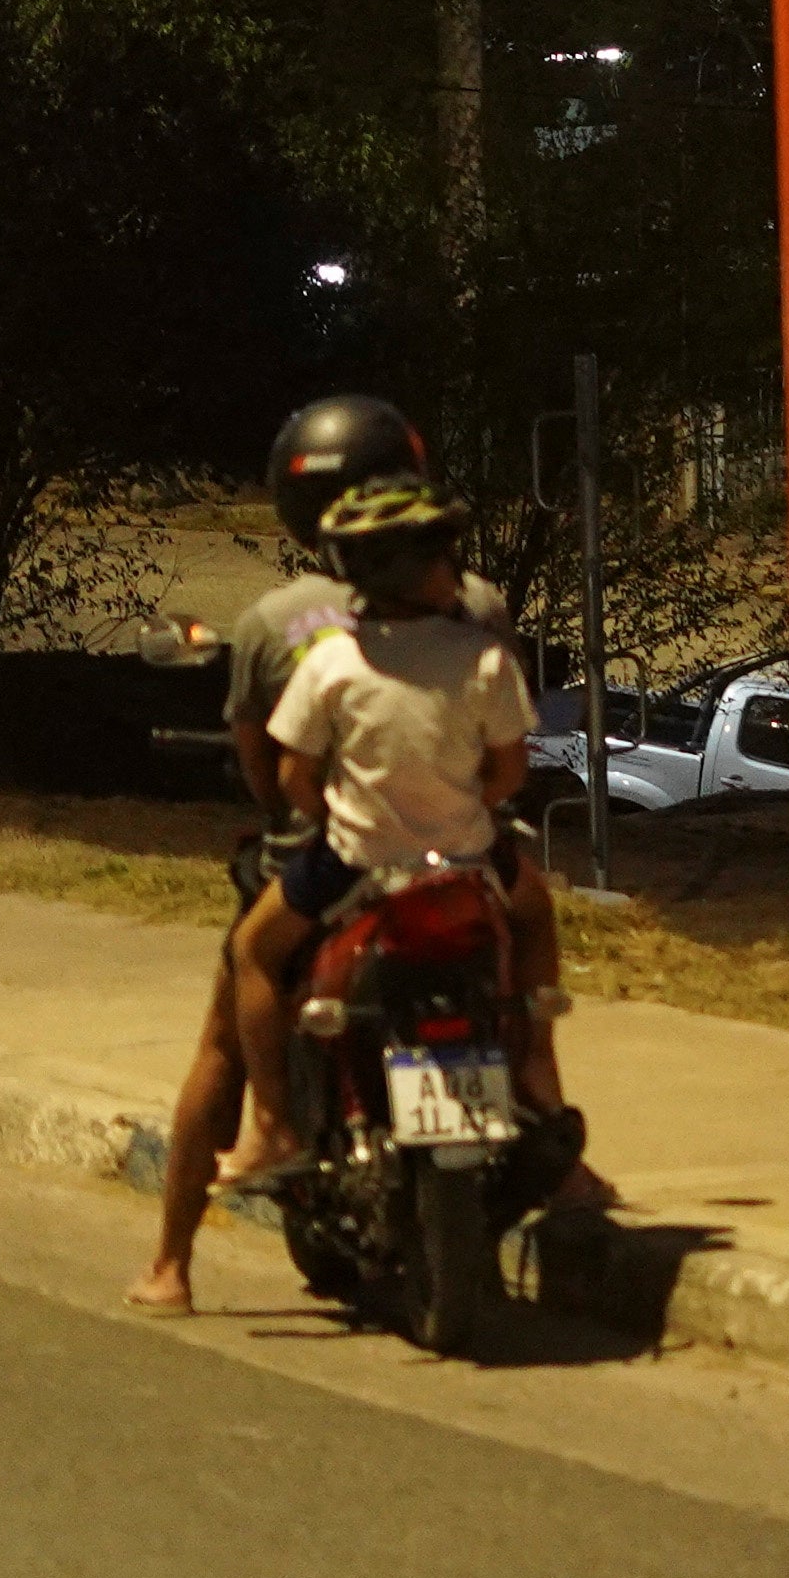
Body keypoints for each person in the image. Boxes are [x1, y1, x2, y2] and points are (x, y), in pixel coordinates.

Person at [134, 395, 427, 1308]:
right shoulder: (466, 596)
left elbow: (268, 777)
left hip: (328, 860)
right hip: (453, 852)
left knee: (225, 1033)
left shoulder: (271, 623)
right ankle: (558, 1147)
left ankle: (175, 1259)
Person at [230, 474, 581, 1182]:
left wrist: (338, 818)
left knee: (254, 951)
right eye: (445, 558)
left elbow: (297, 777)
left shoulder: (331, 661)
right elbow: (509, 774)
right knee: (536, 916)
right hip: (468, 860)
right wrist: (462, 809)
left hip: (353, 863)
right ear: (415, 569)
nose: (457, 571)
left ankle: (270, 1123)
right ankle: (539, 1074)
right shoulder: (484, 659)